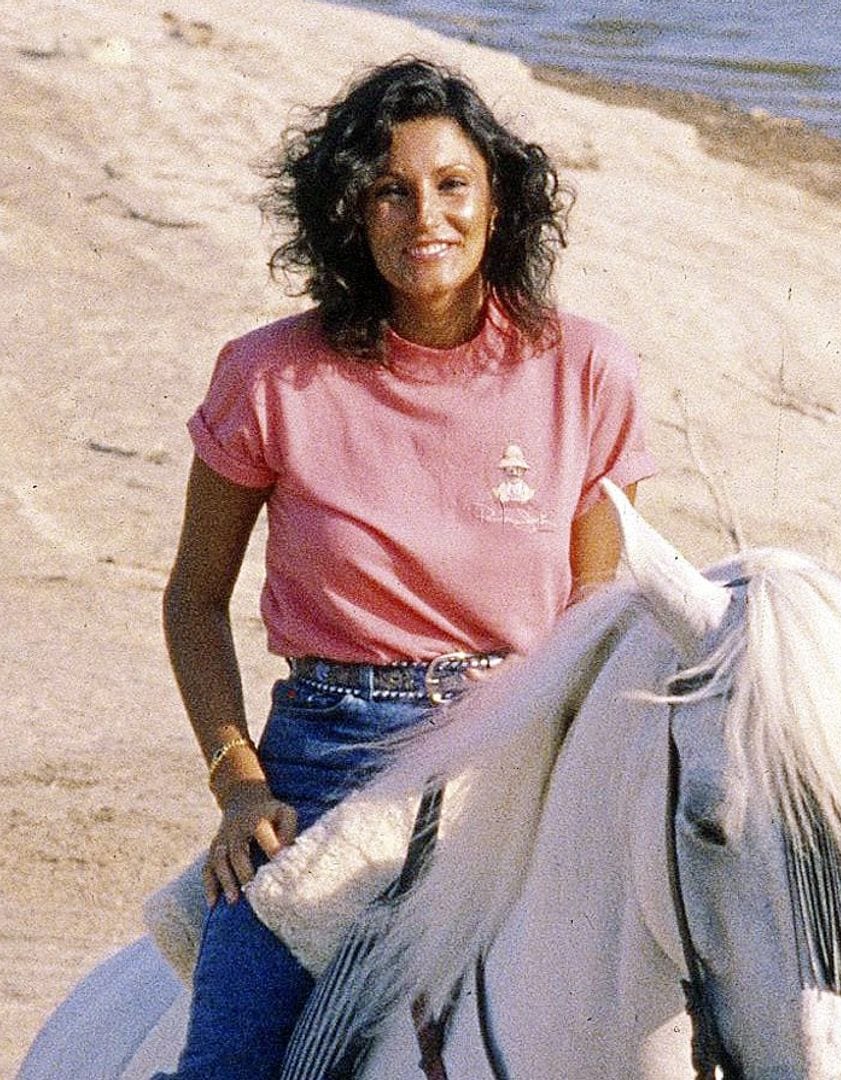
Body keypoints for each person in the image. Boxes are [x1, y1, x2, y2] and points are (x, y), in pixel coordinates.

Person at [158, 57, 655, 1079]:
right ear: (349, 212)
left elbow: (593, 622)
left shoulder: (587, 370)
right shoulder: (267, 377)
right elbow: (194, 599)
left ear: (498, 199)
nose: (422, 215)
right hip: (327, 765)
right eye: (388, 189)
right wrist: (239, 786)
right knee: (228, 1062)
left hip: (519, 759)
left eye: (450, 184)